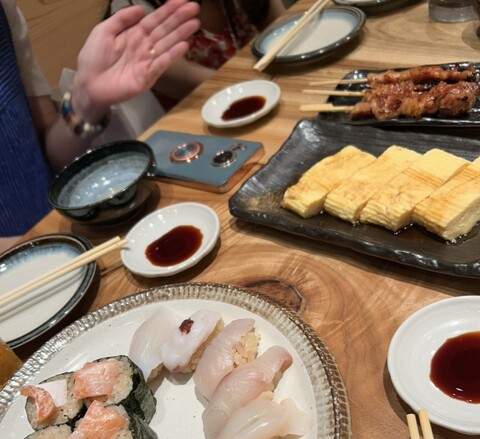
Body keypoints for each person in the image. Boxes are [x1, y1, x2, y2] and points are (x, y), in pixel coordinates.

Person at [0, 0, 200, 251]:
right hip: (38, 253)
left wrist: (87, 101)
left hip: (59, 233)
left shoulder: (6, 11)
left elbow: (49, 159)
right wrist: (35, 248)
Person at [147, 0, 287, 110]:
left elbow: (284, 31)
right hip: (204, 119)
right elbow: (185, 82)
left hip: (270, 91)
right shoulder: (145, 12)